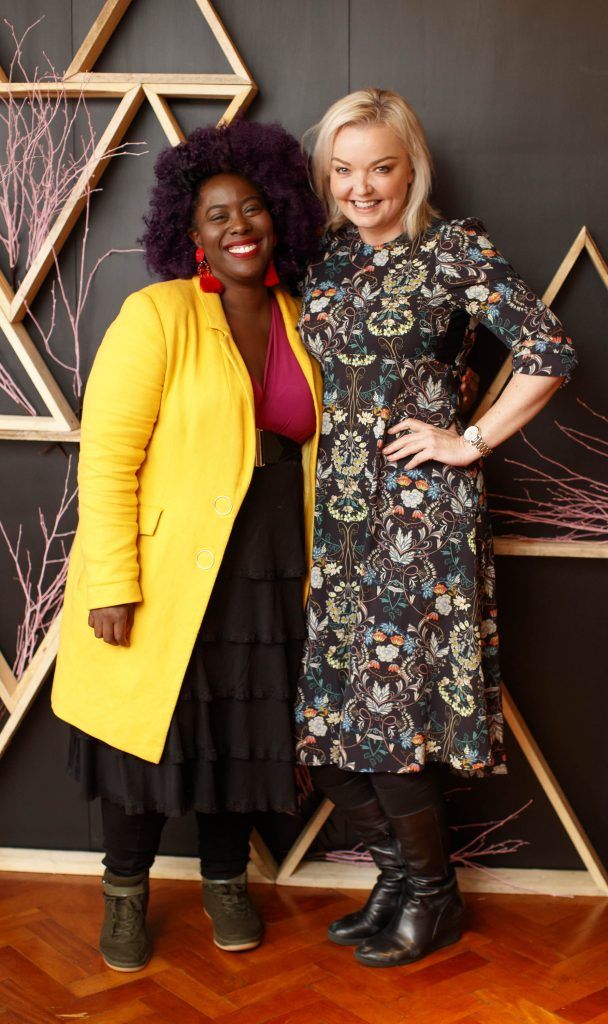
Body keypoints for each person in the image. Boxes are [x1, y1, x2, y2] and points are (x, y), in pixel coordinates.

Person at [295, 88, 577, 968]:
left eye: (380, 167)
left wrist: (470, 440)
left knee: (388, 723)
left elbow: (550, 350)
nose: (362, 187)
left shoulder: (453, 249)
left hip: (421, 516)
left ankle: (434, 899)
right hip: (339, 517)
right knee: (332, 725)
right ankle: (395, 880)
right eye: (344, 170)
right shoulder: (329, 260)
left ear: (412, 166)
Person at [51, 119, 324, 971]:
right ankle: (125, 895)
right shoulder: (157, 314)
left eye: (252, 208)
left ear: (278, 214)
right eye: (216, 215)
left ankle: (224, 882)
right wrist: (112, 583)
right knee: (149, 734)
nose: (238, 225)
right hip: (170, 570)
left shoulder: (301, 316)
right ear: (188, 230)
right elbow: (106, 460)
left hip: (274, 562)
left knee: (243, 733)